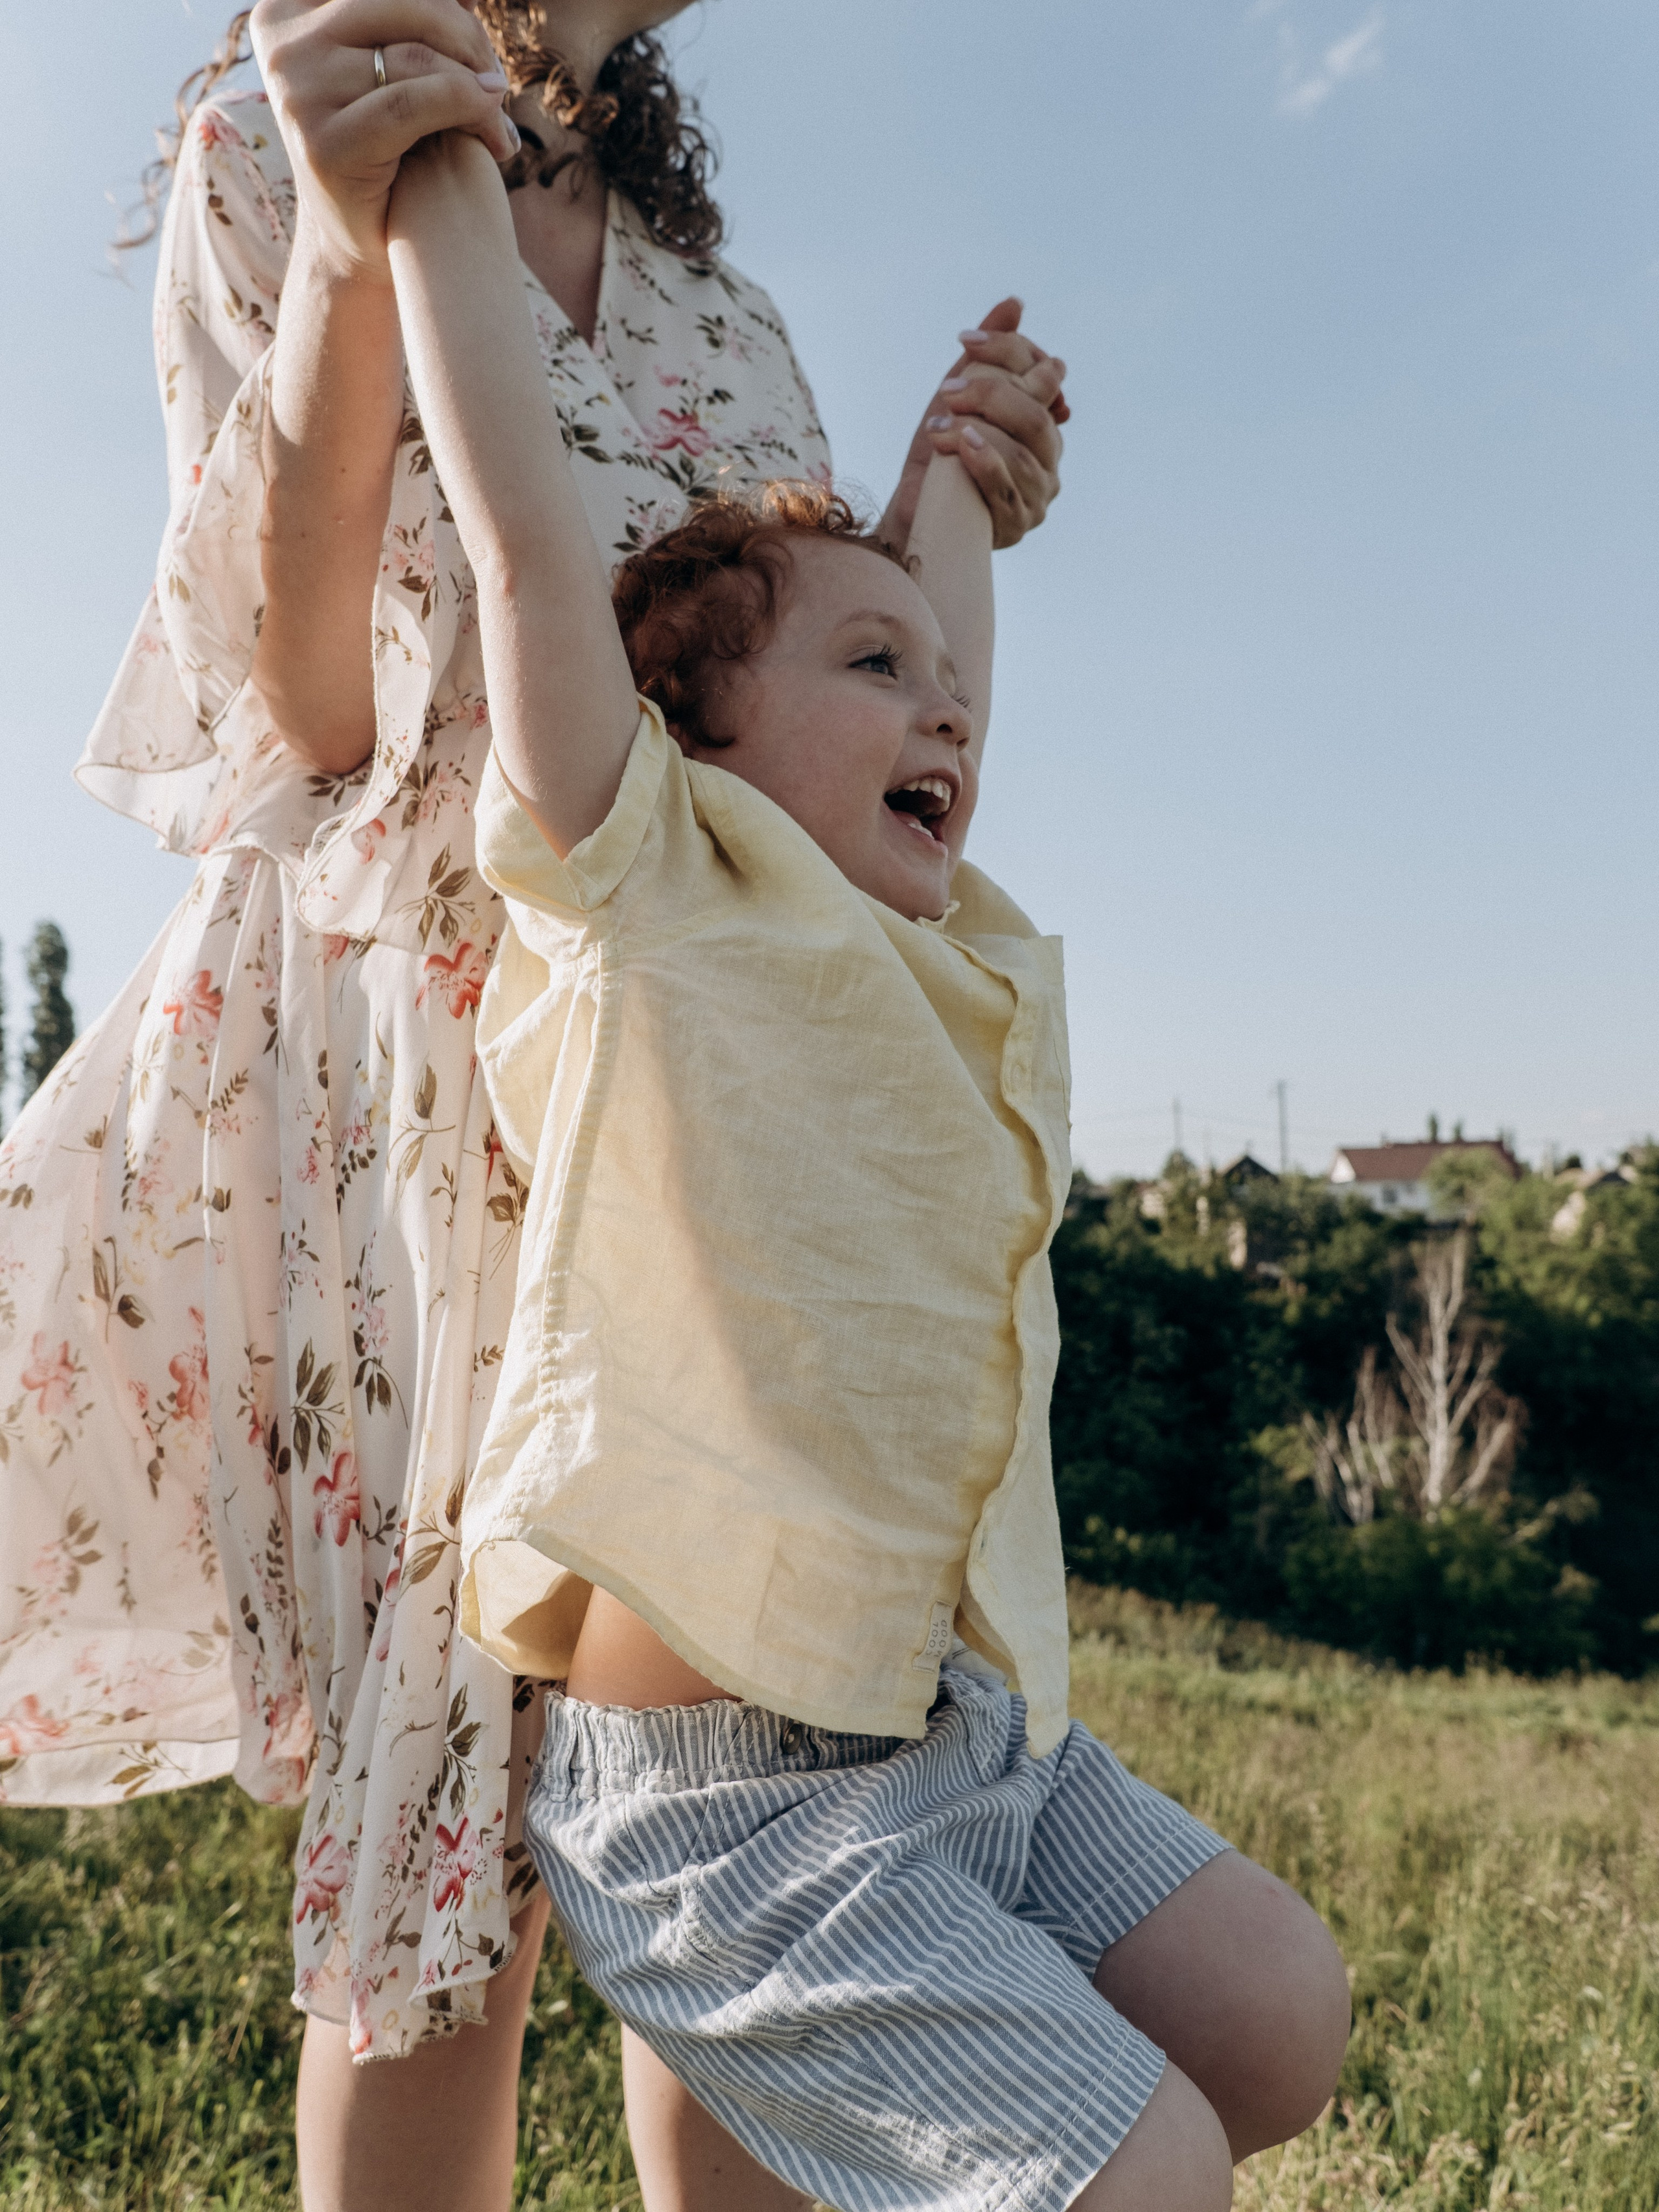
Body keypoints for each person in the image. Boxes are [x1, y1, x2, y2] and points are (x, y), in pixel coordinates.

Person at [0, 3, 1067, 2204]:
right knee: (455, 1843)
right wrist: (336, 242)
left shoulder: (712, 295)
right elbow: (299, 702)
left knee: (752, 1797)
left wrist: (943, 517)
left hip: (692, 1093)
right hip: (436, 1080)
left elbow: (782, 727)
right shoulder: (282, 126)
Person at [382, 121, 1353, 2212]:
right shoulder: (649, 876)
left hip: (969, 1736)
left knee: (1282, 2017)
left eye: (947, 687)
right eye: (873, 668)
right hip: (732, 1812)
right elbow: (532, 544)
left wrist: (953, 499)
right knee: (1150, 2173)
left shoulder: (933, 947)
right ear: (694, 731)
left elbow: (944, 660)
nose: (952, 719)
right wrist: (431, 180)